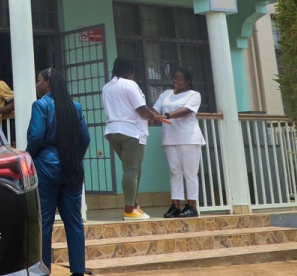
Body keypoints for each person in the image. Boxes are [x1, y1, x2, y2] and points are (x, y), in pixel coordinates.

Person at [27, 67, 90, 274]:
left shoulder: (40, 105)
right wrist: (74, 158)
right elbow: (85, 139)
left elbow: (36, 137)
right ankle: (78, 271)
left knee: (44, 221)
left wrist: (29, 157)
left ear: (48, 84)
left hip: (45, 169)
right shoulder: (75, 107)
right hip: (72, 169)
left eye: (38, 80)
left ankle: (44, 270)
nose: (37, 84)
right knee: (74, 221)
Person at [102, 57, 166, 220]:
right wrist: (154, 116)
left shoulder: (107, 87)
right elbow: (141, 109)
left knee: (134, 169)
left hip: (112, 131)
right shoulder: (130, 85)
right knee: (132, 169)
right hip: (131, 132)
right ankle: (129, 210)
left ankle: (135, 206)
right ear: (130, 71)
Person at [154, 66, 205, 218]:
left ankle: (191, 206)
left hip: (188, 138)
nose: (175, 81)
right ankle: (175, 205)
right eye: (174, 78)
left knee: (190, 173)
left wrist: (167, 115)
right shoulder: (165, 94)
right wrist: (154, 115)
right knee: (175, 172)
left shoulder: (194, 95)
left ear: (187, 81)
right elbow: (156, 109)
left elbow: (186, 110)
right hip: (170, 138)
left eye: (179, 79)